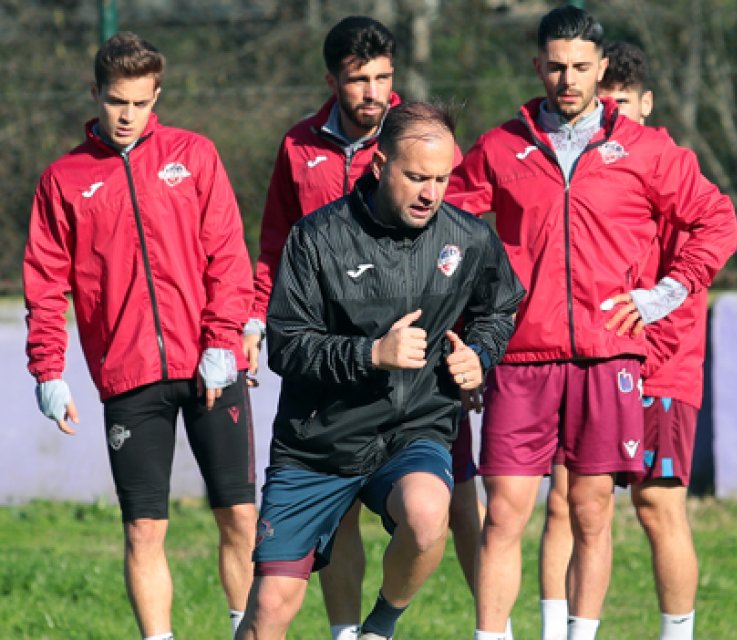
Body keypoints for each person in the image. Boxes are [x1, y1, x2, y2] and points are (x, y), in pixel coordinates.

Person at [447, 7, 737, 638]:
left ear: (601, 69)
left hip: (609, 361)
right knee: (505, 514)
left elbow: (717, 219)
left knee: (591, 511)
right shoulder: (500, 147)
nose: (567, 79)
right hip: (521, 362)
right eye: (555, 66)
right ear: (537, 67)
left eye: (581, 67)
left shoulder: (646, 148)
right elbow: (445, 232)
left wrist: (664, 294)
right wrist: (469, 333)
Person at [234, 101, 524, 640]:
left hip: (411, 430)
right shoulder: (316, 239)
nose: (430, 193)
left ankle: (379, 627)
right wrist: (371, 354)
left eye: (441, 179)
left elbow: (501, 306)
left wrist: (478, 355)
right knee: (270, 610)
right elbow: (289, 349)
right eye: (416, 177)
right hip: (317, 442)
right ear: (378, 165)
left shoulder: (468, 238)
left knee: (428, 512)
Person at [24, 32, 257, 639]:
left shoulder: (196, 156)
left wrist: (220, 343)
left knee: (240, 515)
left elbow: (228, 257)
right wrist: (48, 371)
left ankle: (249, 631)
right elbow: (47, 285)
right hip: (129, 377)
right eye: (115, 101)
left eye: (140, 103)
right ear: (95, 93)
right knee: (143, 529)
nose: (127, 116)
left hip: (211, 366)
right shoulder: (63, 180)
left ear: (158, 96)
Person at [537, 40, 709, 640]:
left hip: (659, 367)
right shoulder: (580, 169)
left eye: (623, 105)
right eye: (602, 105)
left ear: (646, 103)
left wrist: (653, 328)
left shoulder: (667, 164)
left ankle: (676, 631)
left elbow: (693, 272)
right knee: (566, 502)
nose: (612, 117)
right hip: (591, 363)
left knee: (656, 507)